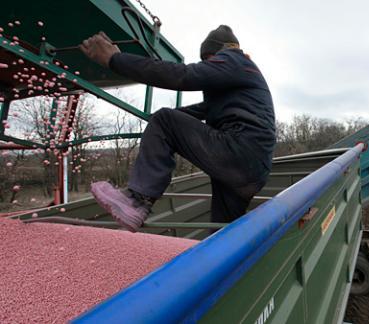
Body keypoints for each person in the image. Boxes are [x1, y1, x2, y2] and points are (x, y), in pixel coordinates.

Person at [80, 26, 275, 232]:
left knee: (165, 119)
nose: (206, 65)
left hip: (239, 150)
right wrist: (156, 121)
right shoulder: (238, 82)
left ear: (219, 51)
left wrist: (116, 59)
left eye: (207, 59)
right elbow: (201, 111)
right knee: (222, 233)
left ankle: (138, 201)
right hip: (251, 170)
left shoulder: (234, 59)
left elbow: (183, 75)